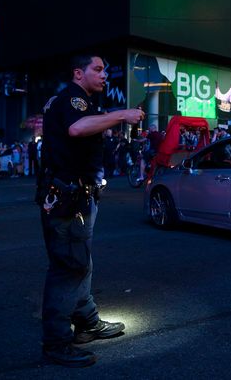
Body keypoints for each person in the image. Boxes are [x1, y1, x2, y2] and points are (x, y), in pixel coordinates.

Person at [36, 54, 145, 368]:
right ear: (78, 73)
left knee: (79, 261)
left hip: (76, 197)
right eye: (97, 69)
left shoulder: (76, 100)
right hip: (68, 198)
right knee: (68, 267)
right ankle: (56, 343)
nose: (104, 75)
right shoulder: (74, 99)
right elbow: (77, 128)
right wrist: (121, 114)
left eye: (105, 70)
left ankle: (87, 321)